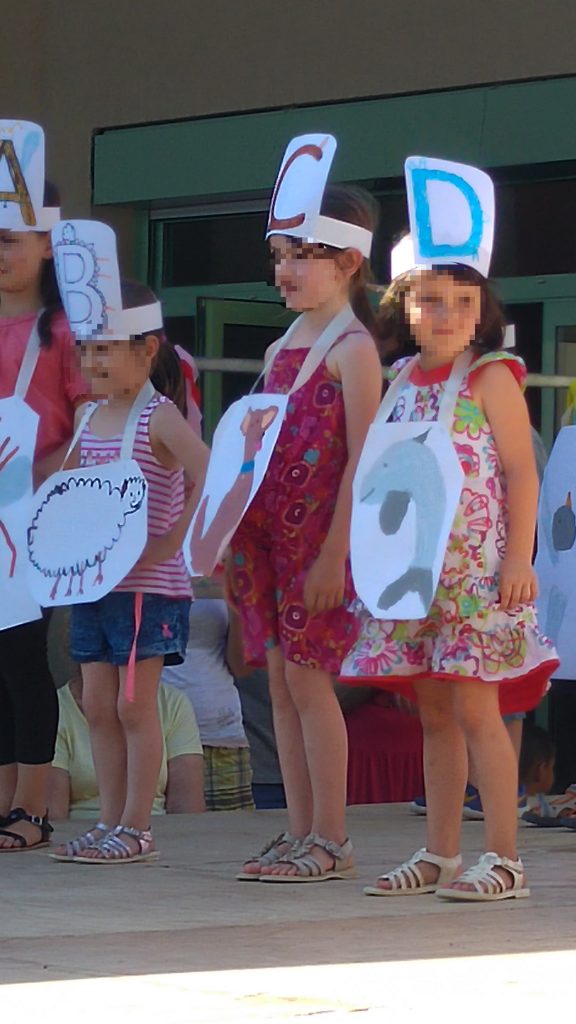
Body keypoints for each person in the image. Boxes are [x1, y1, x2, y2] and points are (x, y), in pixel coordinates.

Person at [341, 158, 558, 901]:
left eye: (462, 302)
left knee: (475, 705)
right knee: (431, 707)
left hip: (475, 576)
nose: (447, 316)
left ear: (480, 309)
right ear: (403, 304)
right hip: (413, 577)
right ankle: (439, 852)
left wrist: (519, 559)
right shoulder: (399, 382)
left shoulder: (490, 374)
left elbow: (521, 470)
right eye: (431, 301)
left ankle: (504, 858)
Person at [229, 141, 383, 882]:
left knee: (312, 682)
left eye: (304, 255)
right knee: (283, 684)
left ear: (348, 262)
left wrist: (334, 552)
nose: (286, 269)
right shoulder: (283, 340)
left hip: (320, 539)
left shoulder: (354, 347)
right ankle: (298, 831)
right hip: (271, 538)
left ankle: (332, 836)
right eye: (281, 253)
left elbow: (363, 454)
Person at [51, 270, 209, 864]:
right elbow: (65, 489)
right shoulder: (90, 418)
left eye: (104, 348)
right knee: (96, 702)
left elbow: (207, 471)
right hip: (92, 583)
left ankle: (137, 826)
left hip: (147, 585)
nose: (91, 359)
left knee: (133, 705)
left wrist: (173, 541)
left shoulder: (160, 416)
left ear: (146, 349)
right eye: (86, 347)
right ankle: (109, 821)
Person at [0, 172, 87, 852]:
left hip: (37, 516)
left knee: (23, 655)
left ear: (48, 243)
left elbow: (92, 429)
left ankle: (32, 805)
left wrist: (33, 475)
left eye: (9, 239)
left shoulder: (64, 331)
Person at [48, 676, 205, 823]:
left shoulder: (171, 702)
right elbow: (55, 818)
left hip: (159, 834)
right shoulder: (56, 708)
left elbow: (188, 812)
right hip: (80, 837)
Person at [162, 579, 255, 811]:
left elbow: (241, 666)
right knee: (156, 834)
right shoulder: (141, 554)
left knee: (228, 839)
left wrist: (237, 605)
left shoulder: (222, 556)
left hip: (218, 731)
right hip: (155, 732)